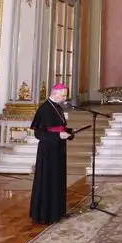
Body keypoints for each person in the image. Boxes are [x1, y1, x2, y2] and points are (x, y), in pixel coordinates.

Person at [29, 83, 75, 224]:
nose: (65, 97)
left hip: (59, 149)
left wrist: (69, 132)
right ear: (55, 93)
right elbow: (38, 133)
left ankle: (58, 212)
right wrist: (57, 136)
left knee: (58, 180)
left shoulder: (58, 107)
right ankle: (46, 215)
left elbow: (60, 127)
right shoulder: (43, 109)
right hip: (47, 151)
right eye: (63, 95)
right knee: (48, 180)